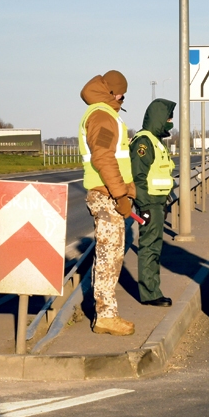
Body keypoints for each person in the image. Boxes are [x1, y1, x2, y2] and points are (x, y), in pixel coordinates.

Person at [79, 70, 136, 335]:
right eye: (122, 93)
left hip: (109, 192)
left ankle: (106, 313)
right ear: (113, 92)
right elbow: (103, 157)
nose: (123, 98)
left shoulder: (104, 114)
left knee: (111, 255)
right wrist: (121, 194)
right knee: (108, 256)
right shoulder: (102, 116)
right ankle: (105, 316)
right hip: (107, 195)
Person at [129, 98, 176, 307]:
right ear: (159, 118)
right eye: (168, 118)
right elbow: (138, 176)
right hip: (149, 203)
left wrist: (164, 199)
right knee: (149, 248)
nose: (171, 122)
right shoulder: (144, 142)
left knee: (155, 248)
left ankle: (153, 289)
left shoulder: (155, 141)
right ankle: (150, 293)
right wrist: (146, 205)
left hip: (157, 202)